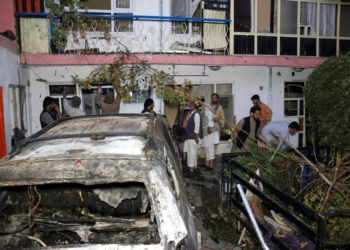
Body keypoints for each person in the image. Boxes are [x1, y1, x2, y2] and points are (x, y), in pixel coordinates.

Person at [184, 101, 203, 173]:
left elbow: (197, 127)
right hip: (191, 136)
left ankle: (191, 168)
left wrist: (196, 137)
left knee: (192, 153)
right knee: (193, 152)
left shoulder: (196, 114)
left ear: (195, 105)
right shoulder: (192, 113)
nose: (190, 105)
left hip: (193, 137)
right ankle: (194, 166)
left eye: (192, 104)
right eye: (190, 104)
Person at [201, 102, 216, 170]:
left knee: (210, 147)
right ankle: (207, 162)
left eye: (205, 105)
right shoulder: (204, 112)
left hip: (208, 131)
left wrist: (209, 127)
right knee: (207, 147)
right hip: (205, 131)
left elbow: (211, 120)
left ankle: (211, 164)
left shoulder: (209, 112)